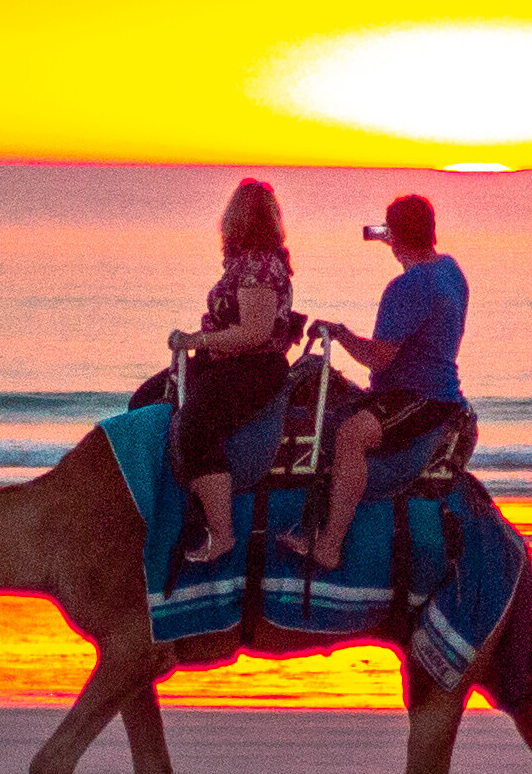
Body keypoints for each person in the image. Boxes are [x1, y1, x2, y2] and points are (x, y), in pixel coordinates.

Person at [305, 194, 466, 569]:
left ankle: (330, 545)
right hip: (429, 389)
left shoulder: (407, 287)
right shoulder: (450, 269)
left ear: (392, 236)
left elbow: (378, 357)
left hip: (421, 397)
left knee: (350, 435)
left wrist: (341, 335)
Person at [168, 179, 298, 564]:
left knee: (197, 424)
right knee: (149, 399)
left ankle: (222, 533)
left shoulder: (259, 264)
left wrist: (196, 341)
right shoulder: (247, 262)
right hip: (228, 358)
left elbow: (254, 333)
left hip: (255, 364)